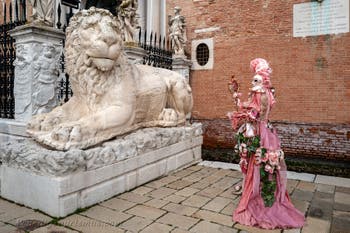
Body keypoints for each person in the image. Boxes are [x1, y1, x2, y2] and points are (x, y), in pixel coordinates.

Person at [228, 58, 305, 229]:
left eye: (255, 79)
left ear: (261, 79)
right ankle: (261, 191)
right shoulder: (269, 92)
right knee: (266, 162)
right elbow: (260, 111)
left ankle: (255, 196)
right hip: (268, 131)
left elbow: (252, 114)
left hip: (257, 131)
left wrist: (237, 104)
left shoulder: (258, 92)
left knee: (255, 161)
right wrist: (238, 98)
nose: (252, 82)